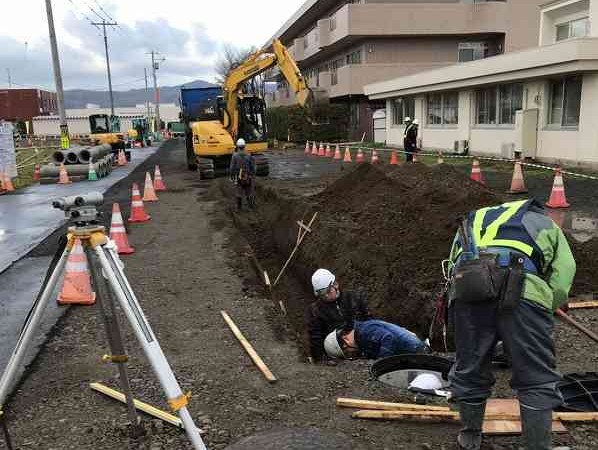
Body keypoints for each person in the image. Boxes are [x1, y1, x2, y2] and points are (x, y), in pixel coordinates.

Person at [446, 198, 576, 450]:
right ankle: (537, 446)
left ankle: (470, 436)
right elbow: (563, 275)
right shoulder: (545, 223)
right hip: (524, 291)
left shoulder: (474, 218)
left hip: (470, 287)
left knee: (470, 366)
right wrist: (548, 304)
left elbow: (454, 265)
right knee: (536, 376)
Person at [304, 268, 371, 361]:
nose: (326, 296)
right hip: (338, 355)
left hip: (362, 346)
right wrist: (321, 360)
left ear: (335, 284)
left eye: (328, 291)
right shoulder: (315, 311)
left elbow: (369, 320)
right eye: (322, 294)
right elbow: (315, 340)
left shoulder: (353, 298)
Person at [323, 319, 428, 360]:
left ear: (345, 341)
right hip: (414, 350)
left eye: (347, 353)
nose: (351, 354)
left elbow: (388, 338)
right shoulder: (362, 334)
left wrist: (381, 362)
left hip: (417, 351)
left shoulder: (365, 332)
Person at [229, 138, 256, 210]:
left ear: (237, 146)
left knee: (239, 192)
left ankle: (239, 207)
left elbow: (232, 168)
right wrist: (252, 175)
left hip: (238, 177)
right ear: (244, 146)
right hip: (247, 176)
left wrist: (231, 176)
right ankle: (251, 206)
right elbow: (253, 167)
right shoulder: (249, 155)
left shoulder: (234, 156)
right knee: (248, 192)